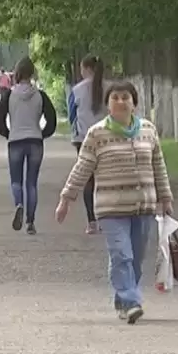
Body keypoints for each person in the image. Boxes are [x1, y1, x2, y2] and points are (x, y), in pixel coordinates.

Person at [55, 81, 174, 324]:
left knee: (136, 258)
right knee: (122, 254)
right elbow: (82, 167)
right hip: (111, 208)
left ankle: (123, 299)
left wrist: (166, 197)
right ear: (108, 105)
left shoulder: (148, 130)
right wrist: (66, 198)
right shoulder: (97, 134)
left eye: (125, 97)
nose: (121, 101)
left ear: (134, 103)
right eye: (115, 98)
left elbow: (158, 166)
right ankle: (131, 301)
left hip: (144, 206)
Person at [0, 56, 57, 234]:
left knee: (16, 181)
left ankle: (19, 204)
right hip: (35, 141)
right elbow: (51, 119)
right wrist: (42, 134)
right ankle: (30, 221)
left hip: (15, 141)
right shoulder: (40, 95)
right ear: (32, 73)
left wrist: (7, 133)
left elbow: (0, 119)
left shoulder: (9, 95)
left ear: (17, 73)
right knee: (31, 183)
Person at [67, 54, 108, 234]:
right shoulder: (110, 89)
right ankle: (108, 219)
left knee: (88, 180)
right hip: (107, 139)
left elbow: (71, 116)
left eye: (82, 69)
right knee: (106, 180)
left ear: (87, 69)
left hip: (83, 139)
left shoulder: (76, 90)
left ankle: (91, 222)